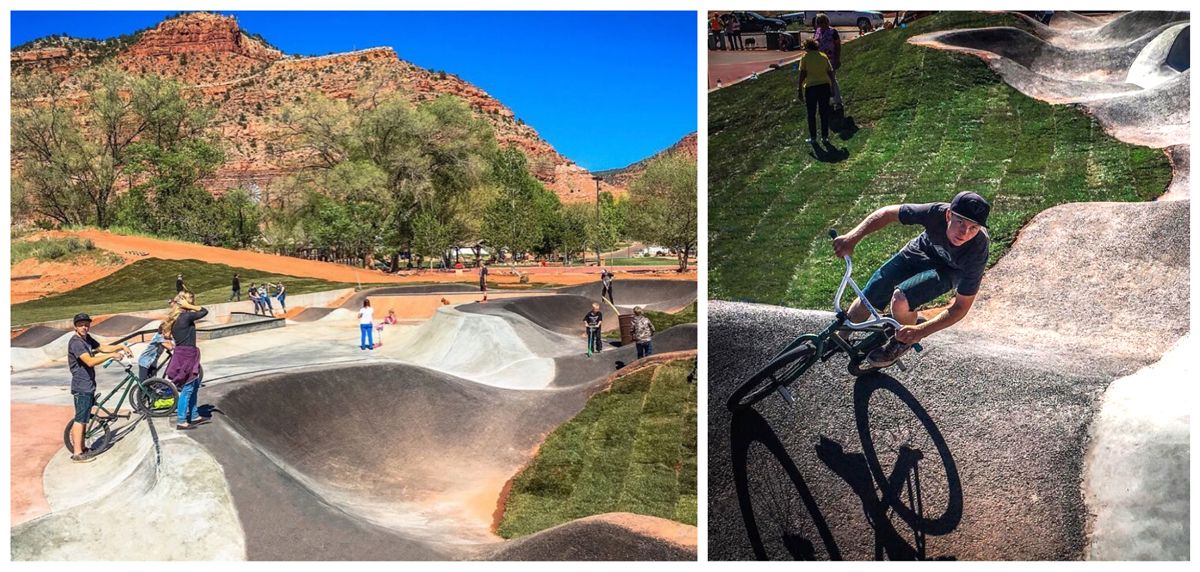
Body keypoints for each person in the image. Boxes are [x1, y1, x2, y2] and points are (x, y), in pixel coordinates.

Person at [831, 191, 991, 368]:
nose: (964, 232)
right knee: (870, 295)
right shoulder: (934, 212)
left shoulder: (977, 251)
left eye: (973, 228)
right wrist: (852, 237)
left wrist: (921, 331)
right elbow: (888, 213)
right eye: (960, 222)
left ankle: (902, 341)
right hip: (919, 251)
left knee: (900, 300)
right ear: (948, 215)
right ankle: (840, 337)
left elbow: (961, 307)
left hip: (949, 270)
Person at [66, 313, 131, 463]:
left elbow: (102, 348)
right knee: (80, 419)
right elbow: (89, 361)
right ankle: (77, 454)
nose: (84, 327)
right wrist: (111, 356)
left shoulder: (86, 338)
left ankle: (82, 448)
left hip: (88, 384)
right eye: (81, 324)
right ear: (75, 326)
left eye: (86, 324)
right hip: (81, 385)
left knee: (84, 419)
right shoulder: (76, 342)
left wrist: (121, 346)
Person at [164, 291, 209, 430]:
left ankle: (194, 415)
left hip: (185, 354)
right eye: (191, 300)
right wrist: (189, 305)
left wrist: (187, 305)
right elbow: (204, 311)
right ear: (184, 302)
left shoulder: (180, 318)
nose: (193, 303)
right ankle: (181, 420)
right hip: (186, 356)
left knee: (193, 386)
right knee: (188, 389)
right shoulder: (185, 317)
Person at [797, 38, 835, 145]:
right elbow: (830, 71)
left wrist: (799, 89)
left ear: (807, 47)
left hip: (811, 87)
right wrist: (832, 86)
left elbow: (802, 74)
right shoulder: (823, 56)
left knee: (811, 113)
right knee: (824, 112)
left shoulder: (805, 58)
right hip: (824, 86)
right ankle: (824, 136)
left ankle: (813, 137)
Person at [813, 14, 844, 110]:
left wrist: (837, 59)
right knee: (824, 81)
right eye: (819, 22)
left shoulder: (833, 32)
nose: (821, 24)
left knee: (832, 80)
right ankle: (828, 101)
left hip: (831, 59)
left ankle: (838, 101)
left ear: (827, 22)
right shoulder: (817, 32)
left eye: (823, 22)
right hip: (820, 61)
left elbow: (838, 46)